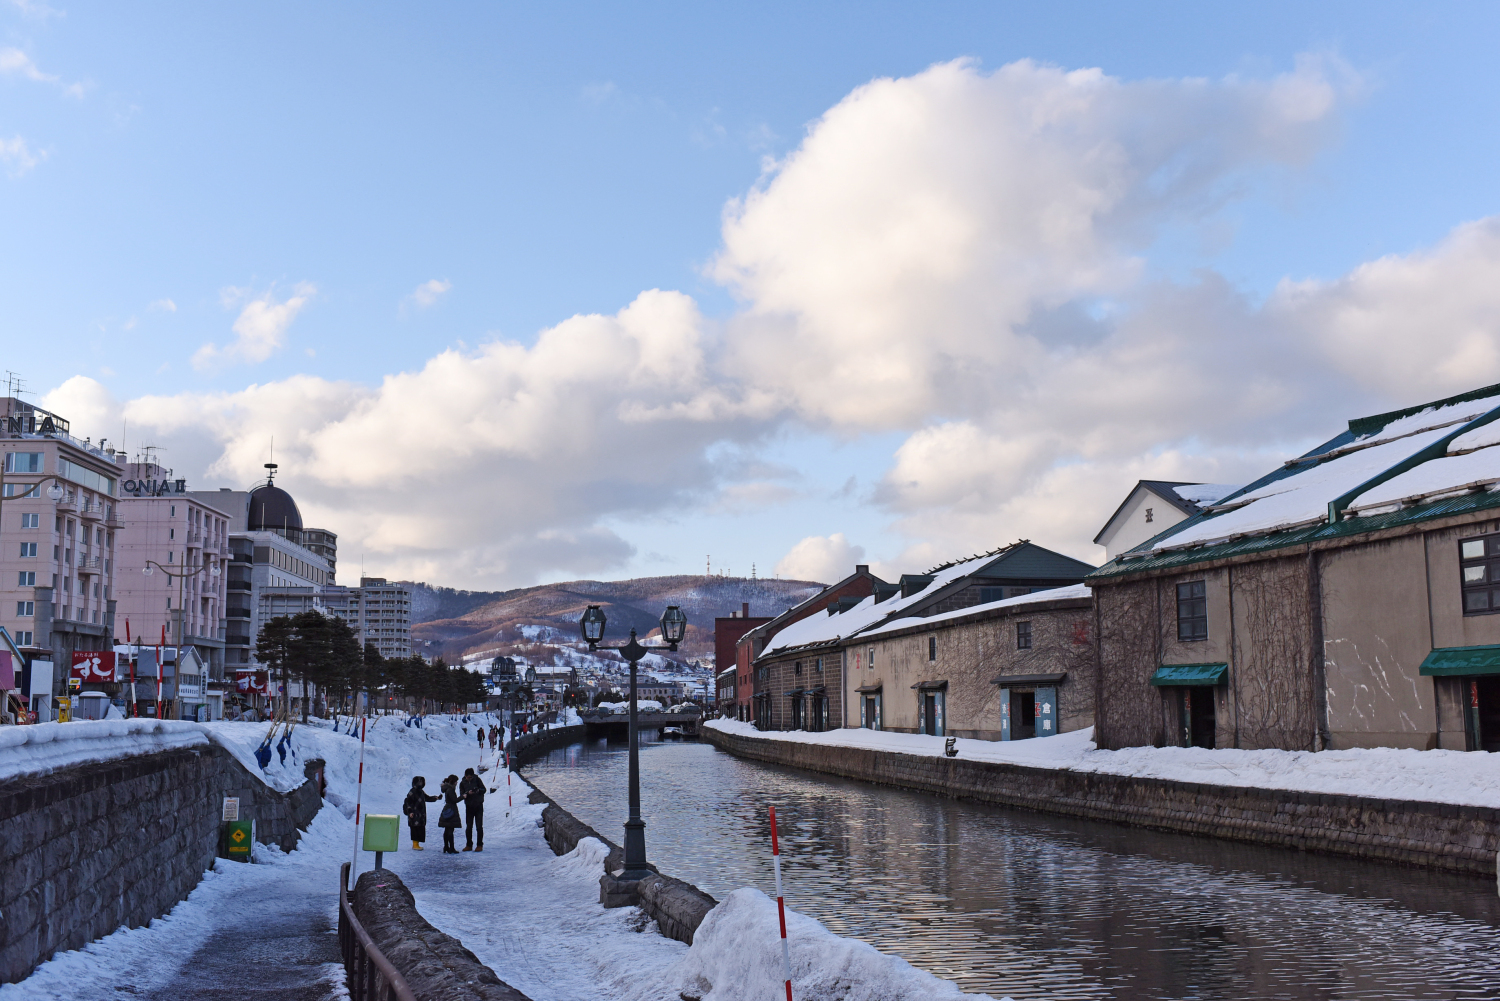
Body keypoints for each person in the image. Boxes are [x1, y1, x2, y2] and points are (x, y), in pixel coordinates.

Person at [402, 776, 439, 851]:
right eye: (419, 782)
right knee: (415, 829)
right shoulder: (412, 792)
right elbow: (409, 802)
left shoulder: (421, 791)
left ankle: (417, 844)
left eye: (421, 782)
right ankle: (415, 844)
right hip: (414, 814)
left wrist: (435, 798)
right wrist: (410, 812)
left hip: (421, 815)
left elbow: (427, 798)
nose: (420, 784)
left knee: (420, 829)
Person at [459, 766, 486, 851]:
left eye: (471, 777)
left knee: (479, 827)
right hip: (469, 806)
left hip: (478, 805)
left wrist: (478, 790)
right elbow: (461, 794)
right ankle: (469, 845)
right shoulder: (462, 783)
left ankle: (479, 845)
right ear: (465, 776)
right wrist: (467, 793)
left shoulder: (477, 780)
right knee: (469, 826)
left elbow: (484, 789)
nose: (469, 779)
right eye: (468, 777)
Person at [438, 774, 462, 853]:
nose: (456, 783)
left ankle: (446, 846)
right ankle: (451, 847)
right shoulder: (451, 789)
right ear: (453, 781)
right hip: (451, 809)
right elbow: (454, 800)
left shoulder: (446, 788)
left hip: (447, 809)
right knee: (450, 829)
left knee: (447, 829)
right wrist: (463, 796)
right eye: (456, 781)